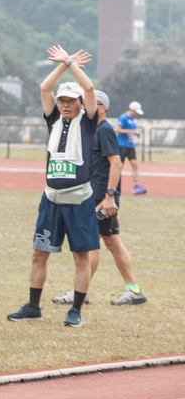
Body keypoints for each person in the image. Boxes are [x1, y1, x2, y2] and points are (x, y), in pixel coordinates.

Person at [7, 46, 101, 329]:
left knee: (80, 257)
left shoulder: (88, 125)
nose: (65, 104)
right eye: (62, 100)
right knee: (39, 253)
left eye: (71, 100)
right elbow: (44, 87)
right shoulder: (53, 122)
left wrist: (71, 63)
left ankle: (75, 311)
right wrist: (61, 65)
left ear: (81, 103)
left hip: (79, 201)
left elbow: (91, 87)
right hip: (51, 199)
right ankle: (33, 307)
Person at [50, 90, 148, 307]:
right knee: (111, 242)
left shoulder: (104, 130)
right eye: (84, 103)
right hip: (95, 196)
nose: (84, 106)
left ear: (102, 108)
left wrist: (110, 197)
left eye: (90, 103)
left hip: (101, 198)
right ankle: (133, 290)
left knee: (89, 245)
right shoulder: (91, 130)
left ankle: (81, 293)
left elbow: (116, 163)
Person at [115, 101, 147, 195]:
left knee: (134, 165)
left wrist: (135, 134)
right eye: (136, 112)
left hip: (130, 145)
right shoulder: (123, 117)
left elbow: (132, 131)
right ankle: (114, 185)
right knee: (119, 166)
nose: (137, 114)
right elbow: (117, 129)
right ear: (132, 110)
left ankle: (136, 186)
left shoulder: (134, 119)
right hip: (122, 145)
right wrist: (129, 131)